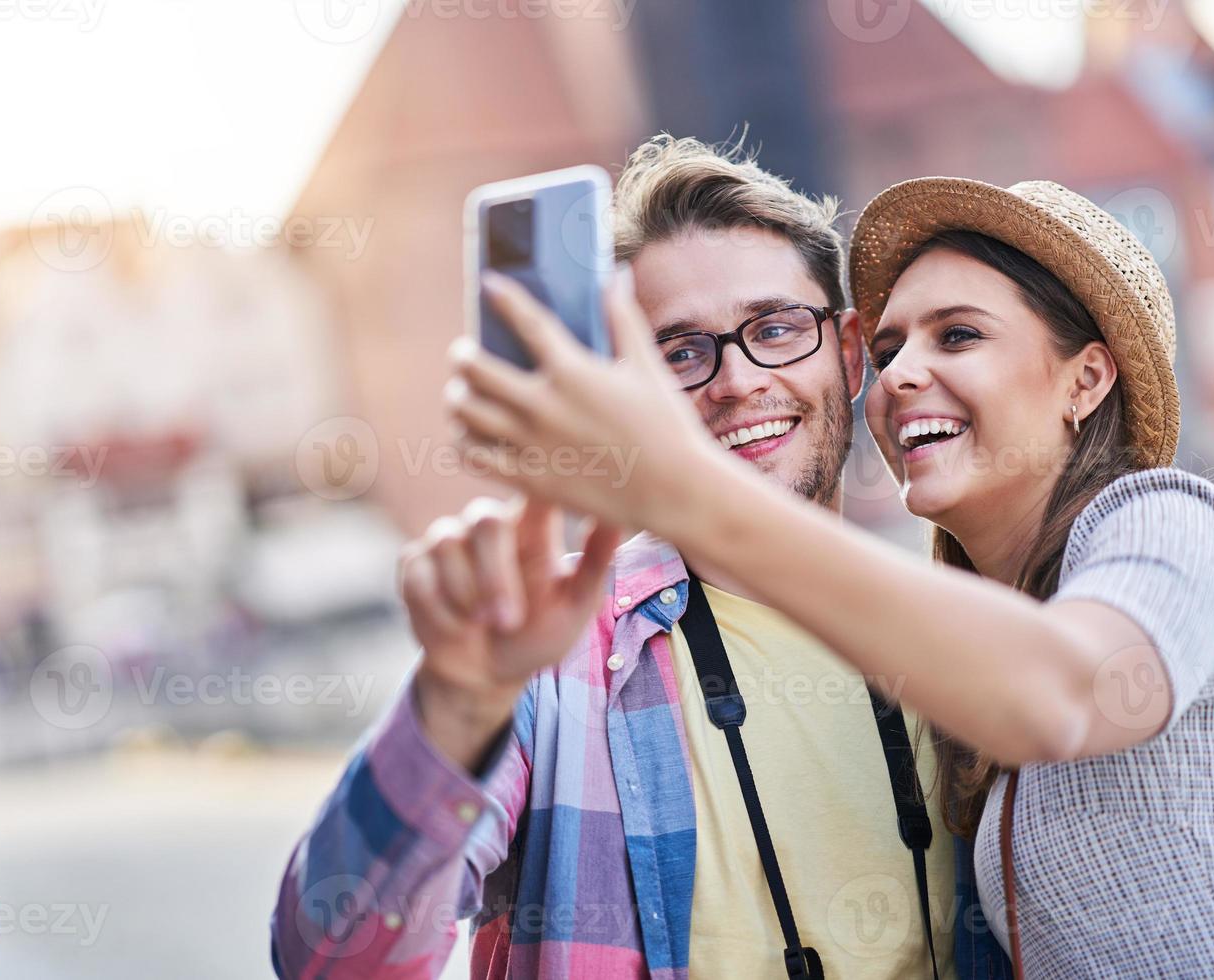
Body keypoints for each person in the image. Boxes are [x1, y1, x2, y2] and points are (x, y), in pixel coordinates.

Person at [448, 176, 1214, 978]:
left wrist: (691, 491)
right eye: (889, 352)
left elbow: (1062, 692)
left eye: (959, 335)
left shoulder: (1170, 520)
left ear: (1086, 381)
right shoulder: (959, 641)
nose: (901, 377)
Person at [271, 138, 1012, 980]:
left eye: (773, 328)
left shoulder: (960, 630)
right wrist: (454, 703)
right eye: (682, 351)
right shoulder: (557, 655)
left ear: (847, 355)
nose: (735, 382)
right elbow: (327, 959)